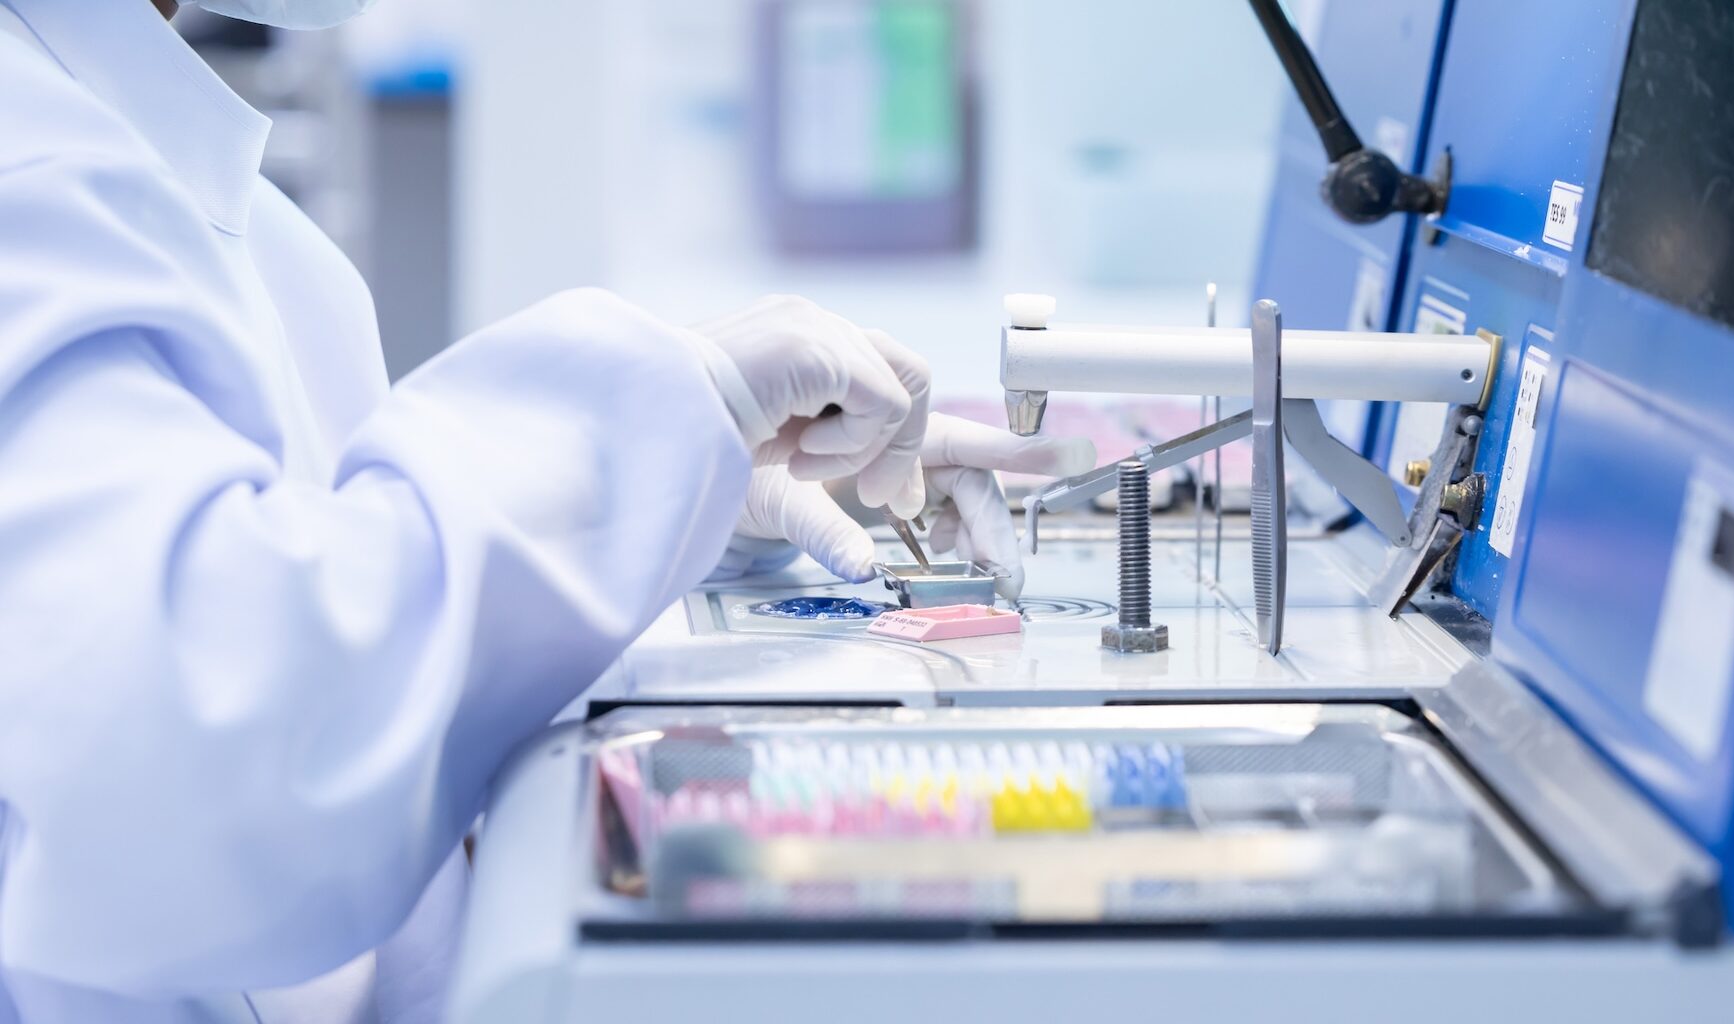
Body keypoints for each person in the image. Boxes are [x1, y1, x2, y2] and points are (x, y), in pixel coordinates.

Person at [0, 0, 1093, 1020]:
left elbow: (317, 586)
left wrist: (687, 503)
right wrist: (664, 421)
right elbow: (197, 748)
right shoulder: (34, 168)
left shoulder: (212, 204)